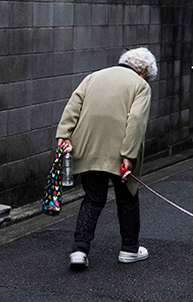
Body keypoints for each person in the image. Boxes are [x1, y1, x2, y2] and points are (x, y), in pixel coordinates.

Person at [56, 47, 158, 269]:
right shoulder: (140, 86)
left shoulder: (94, 76)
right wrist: (129, 155)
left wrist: (64, 135)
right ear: (143, 71)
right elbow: (136, 122)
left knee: (93, 198)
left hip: (87, 147)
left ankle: (79, 251)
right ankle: (129, 249)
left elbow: (73, 104)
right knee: (127, 198)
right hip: (119, 154)